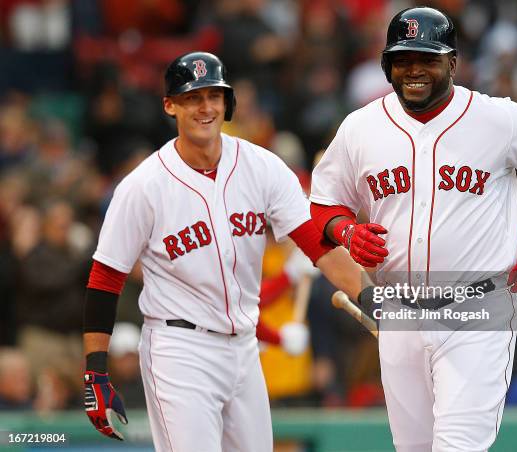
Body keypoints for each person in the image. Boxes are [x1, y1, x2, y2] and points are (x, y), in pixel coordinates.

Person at [310, 7, 517, 452]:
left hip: (477, 308)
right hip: (399, 311)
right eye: (403, 59)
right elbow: (323, 204)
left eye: (427, 58)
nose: (414, 70)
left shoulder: (496, 118)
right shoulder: (361, 127)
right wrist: (345, 232)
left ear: (452, 63)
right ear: (387, 65)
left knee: (458, 446)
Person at [82, 51, 367, 451]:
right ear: (170, 105)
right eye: (192, 97)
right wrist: (96, 370)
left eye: (214, 96)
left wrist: (372, 297)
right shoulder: (143, 185)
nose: (205, 107)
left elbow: (317, 243)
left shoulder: (261, 167)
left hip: (244, 347)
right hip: (179, 348)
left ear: (227, 103)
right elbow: (105, 277)